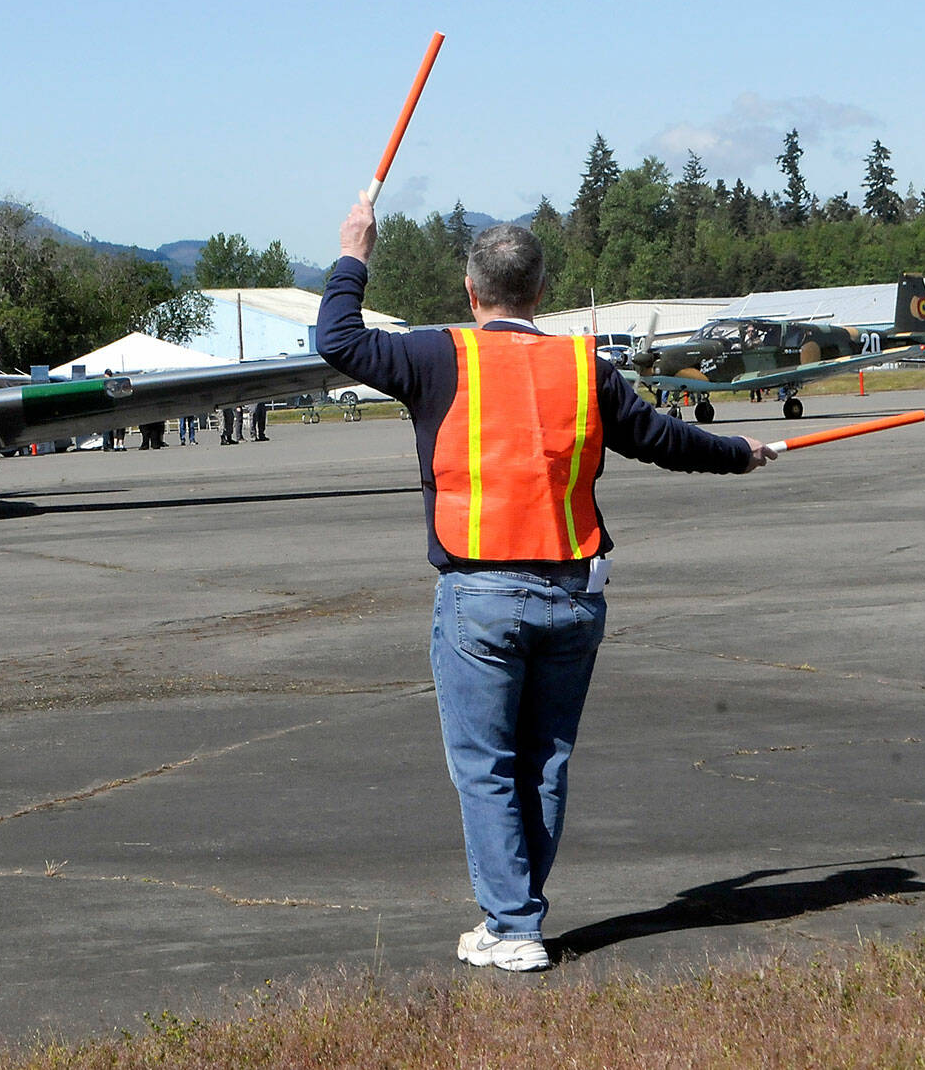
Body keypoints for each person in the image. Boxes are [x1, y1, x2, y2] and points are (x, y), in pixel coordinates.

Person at [317, 196, 774, 973]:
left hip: (482, 591)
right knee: (544, 761)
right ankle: (513, 916)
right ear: (538, 290)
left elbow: (337, 339)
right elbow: (664, 440)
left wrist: (354, 248)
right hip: (573, 591)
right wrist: (738, 450)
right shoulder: (583, 366)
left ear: (471, 290)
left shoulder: (438, 356)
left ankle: (513, 924)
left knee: (487, 764)